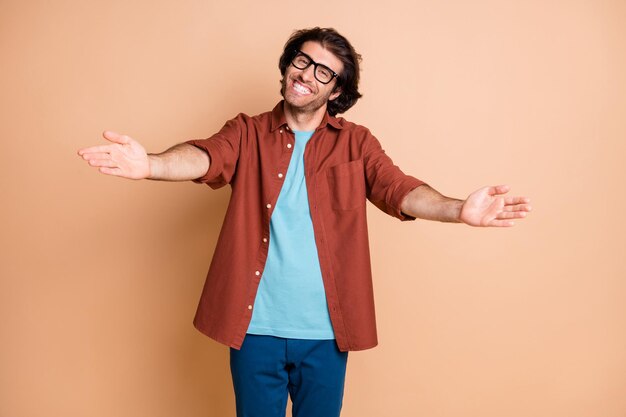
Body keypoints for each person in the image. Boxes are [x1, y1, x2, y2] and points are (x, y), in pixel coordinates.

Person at [78, 27, 531, 417]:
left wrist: (458, 210)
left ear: (336, 91)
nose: (306, 75)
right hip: (253, 329)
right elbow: (205, 156)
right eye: (302, 61)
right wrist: (152, 165)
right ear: (288, 65)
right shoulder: (247, 131)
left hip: (326, 333)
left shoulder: (357, 144)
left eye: (323, 71)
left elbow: (398, 189)